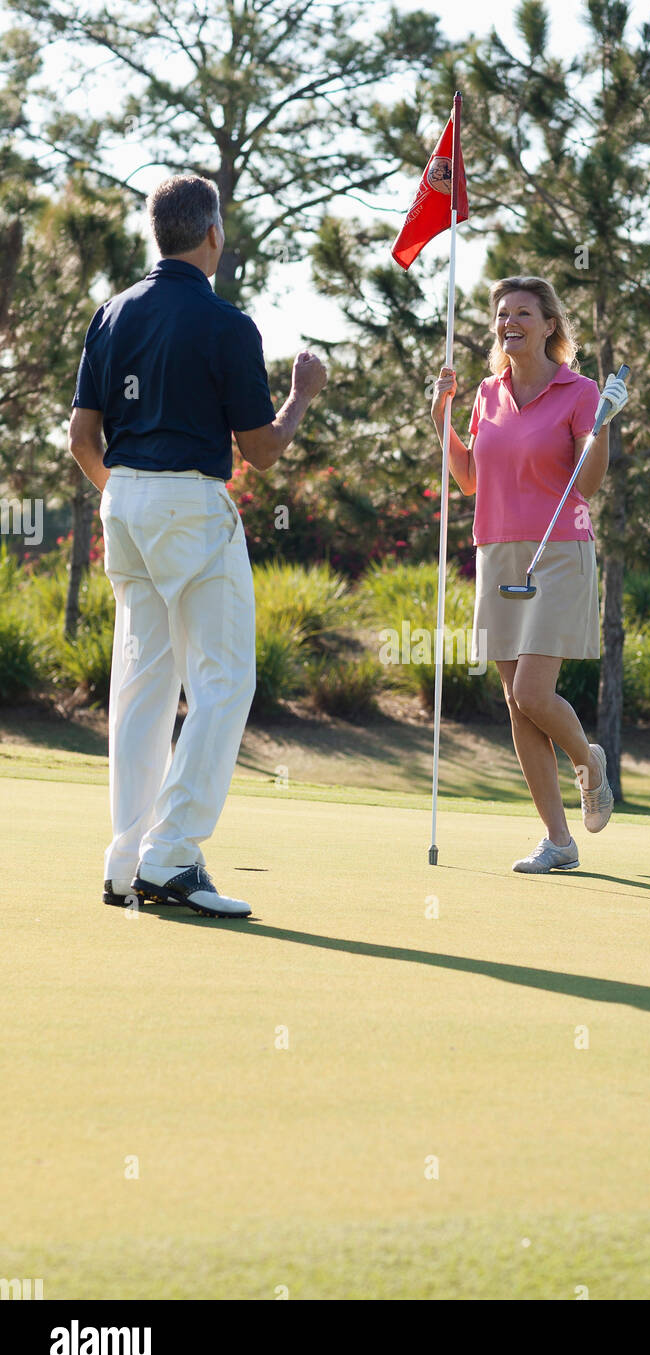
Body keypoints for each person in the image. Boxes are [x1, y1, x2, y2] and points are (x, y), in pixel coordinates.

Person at [68, 174, 327, 918]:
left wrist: (122, 493)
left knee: (143, 683)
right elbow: (261, 449)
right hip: (188, 501)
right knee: (223, 680)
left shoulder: (110, 313)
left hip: (123, 501)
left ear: (159, 233)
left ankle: (126, 861)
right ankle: (172, 853)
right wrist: (302, 394)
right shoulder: (226, 323)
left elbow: (82, 439)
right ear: (211, 234)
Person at [430, 275, 627, 873]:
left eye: (522, 312)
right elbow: (469, 479)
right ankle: (558, 840)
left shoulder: (580, 391)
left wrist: (604, 424)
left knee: (533, 692)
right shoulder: (487, 393)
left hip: (559, 549)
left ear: (549, 325)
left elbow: (587, 485)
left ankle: (589, 763)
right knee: (517, 706)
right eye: (501, 313)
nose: (508, 321)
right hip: (496, 549)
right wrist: (440, 416)